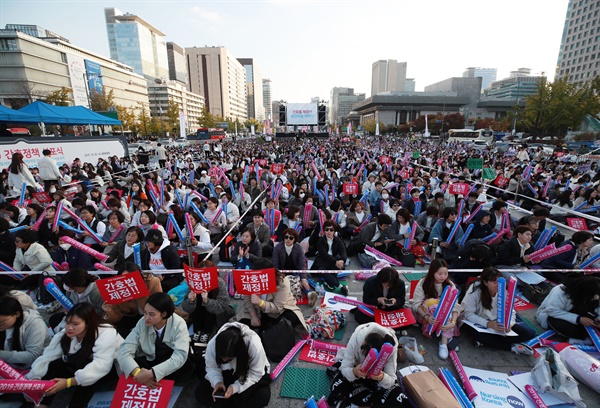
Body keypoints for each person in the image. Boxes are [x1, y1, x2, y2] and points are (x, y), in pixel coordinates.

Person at [27, 303, 121, 408]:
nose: (69, 328)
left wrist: (68, 382)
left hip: (109, 368)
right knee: (54, 365)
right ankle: (42, 402)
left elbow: (101, 365)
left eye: (75, 324)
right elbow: (48, 356)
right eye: (67, 323)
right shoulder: (65, 333)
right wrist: (35, 378)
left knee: (87, 377)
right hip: (82, 363)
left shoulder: (106, 331)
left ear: (88, 323)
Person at [118, 292, 191, 387]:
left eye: (151, 314)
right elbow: (125, 350)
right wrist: (138, 373)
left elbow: (180, 356)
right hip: (151, 358)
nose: (146, 318)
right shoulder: (142, 322)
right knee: (131, 364)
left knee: (182, 367)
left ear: (164, 314)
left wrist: (152, 373)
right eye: (145, 313)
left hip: (168, 359)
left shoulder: (178, 324)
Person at [327, 322, 407, 408]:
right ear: (363, 346)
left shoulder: (390, 350)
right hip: (356, 371)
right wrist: (354, 372)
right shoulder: (357, 339)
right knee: (338, 383)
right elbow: (345, 367)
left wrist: (382, 377)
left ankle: (354, 404)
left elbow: (391, 379)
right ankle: (351, 403)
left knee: (396, 393)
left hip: (375, 379)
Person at [461, 267, 535, 354]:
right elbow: (468, 314)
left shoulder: (503, 289)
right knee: (479, 335)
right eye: (494, 282)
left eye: (499, 282)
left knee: (529, 333)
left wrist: (509, 324)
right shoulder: (475, 291)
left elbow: (511, 310)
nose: (498, 285)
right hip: (479, 320)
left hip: (498, 320)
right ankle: (511, 347)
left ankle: (492, 342)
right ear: (485, 283)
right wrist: (488, 324)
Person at [195, 322, 271, 408]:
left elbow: (255, 373)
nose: (224, 360)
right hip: (226, 372)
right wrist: (217, 382)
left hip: (246, 372)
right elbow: (212, 367)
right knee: (200, 394)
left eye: (228, 359)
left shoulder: (253, 343)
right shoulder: (213, 343)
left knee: (262, 397)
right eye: (222, 358)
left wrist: (235, 387)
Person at [237, 258, 308, 337]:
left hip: (281, 310)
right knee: (240, 325)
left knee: (287, 321)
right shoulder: (252, 278)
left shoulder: (282, 282)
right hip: (259, 310)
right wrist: (253, 316)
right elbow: (247, 300)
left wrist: (260, 302)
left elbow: (277, 308)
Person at [409, 259, 461, 359]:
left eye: (445, 273)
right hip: (426, 315)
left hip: (444, 317)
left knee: (446, 312)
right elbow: (416, 304)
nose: (443, 277)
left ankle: (443, 342)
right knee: (433, 303)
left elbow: (455, 305)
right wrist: (427, 317)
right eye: (440, 274)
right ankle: (446, 337)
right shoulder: (424, 283)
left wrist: (453, 322)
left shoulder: (450, 285)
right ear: (433, 272)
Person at [180, 260, 235, 346]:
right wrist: (191, 300)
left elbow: (222, 306)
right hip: (198, 314)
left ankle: (207, 332)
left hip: (217, 315)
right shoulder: (194, 283)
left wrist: (207, 300)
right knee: (197, 299)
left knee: (207, 300)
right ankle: (197, 330)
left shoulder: (219, 282)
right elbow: (186, 308)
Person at [102, 262, 163, 338]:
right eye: (123, 278)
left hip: (150, 315)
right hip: (130, 317)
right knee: (114, 329)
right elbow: (117, 317)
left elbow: (160, 304)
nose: (127, 281)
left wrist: (142, 292)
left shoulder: (152, 282)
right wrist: (109, 310)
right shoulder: (116, 288)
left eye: (131, 278)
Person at [535, 274, 600, 342]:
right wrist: (579, 319)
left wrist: (598, 317)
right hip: (552, 315)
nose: (594, 298)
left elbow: (596, 305)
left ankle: (584, 337)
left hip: (575, 313)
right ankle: (580, 339)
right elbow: (552, 311)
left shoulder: (591, 294)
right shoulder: (560, 291)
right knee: (566, 327)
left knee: (592, 323)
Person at [0, 295, 51, 370]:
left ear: (17, 314)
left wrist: (2, 355)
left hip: (37, 365)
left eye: (2, 322)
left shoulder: (34, 323)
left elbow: (32, 355)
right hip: (13, 363)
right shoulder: (7, 324)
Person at [272, 228, 316, 306]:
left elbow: (302, 264)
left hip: (295, 270)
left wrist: (303, 278)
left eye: (291, 238)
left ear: (294, 239)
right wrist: (279, 275)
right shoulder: (278, 247)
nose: (288, 239)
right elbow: (275, 264)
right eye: (286, 237)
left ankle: (309, 295)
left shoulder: (298, 247)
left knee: (303, 280)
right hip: (282, 272)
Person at [312, 220, 349, 296]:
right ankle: (340, 287)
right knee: (321, 271)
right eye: (327, 229)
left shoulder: (338, 240)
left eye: (331, 230)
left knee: (333, 271)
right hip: (323, 261)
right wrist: (336, 262)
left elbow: (343, 251)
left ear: (334, 231)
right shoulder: (320, 241)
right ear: (324, 231)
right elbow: (323, 254)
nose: (329, 232)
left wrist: (342, 260)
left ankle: (330, 282)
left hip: (334, 261)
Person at [143, 229, 183, 293]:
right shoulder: (147, 250)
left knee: (163, 286)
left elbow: (176, 266)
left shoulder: (170, 250)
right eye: (146, 241)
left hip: (169, 276)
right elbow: (144, 265)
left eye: (149, 241)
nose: (147, 243)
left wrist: (163, 276)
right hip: (151, 275)